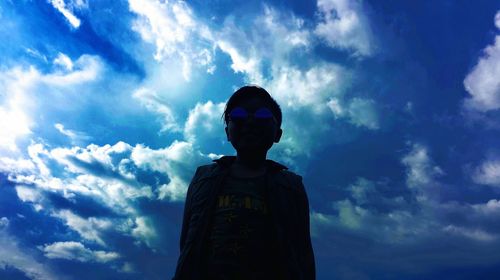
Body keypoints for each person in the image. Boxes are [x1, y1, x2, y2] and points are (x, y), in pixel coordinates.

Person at [172, 85, 315, 280]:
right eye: (238, 115)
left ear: (277, 135)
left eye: (263, 116)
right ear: (227, 132)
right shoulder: (203, 177)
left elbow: (302, 252)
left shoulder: (291, 186)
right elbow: (187, 241)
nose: (250, 121)